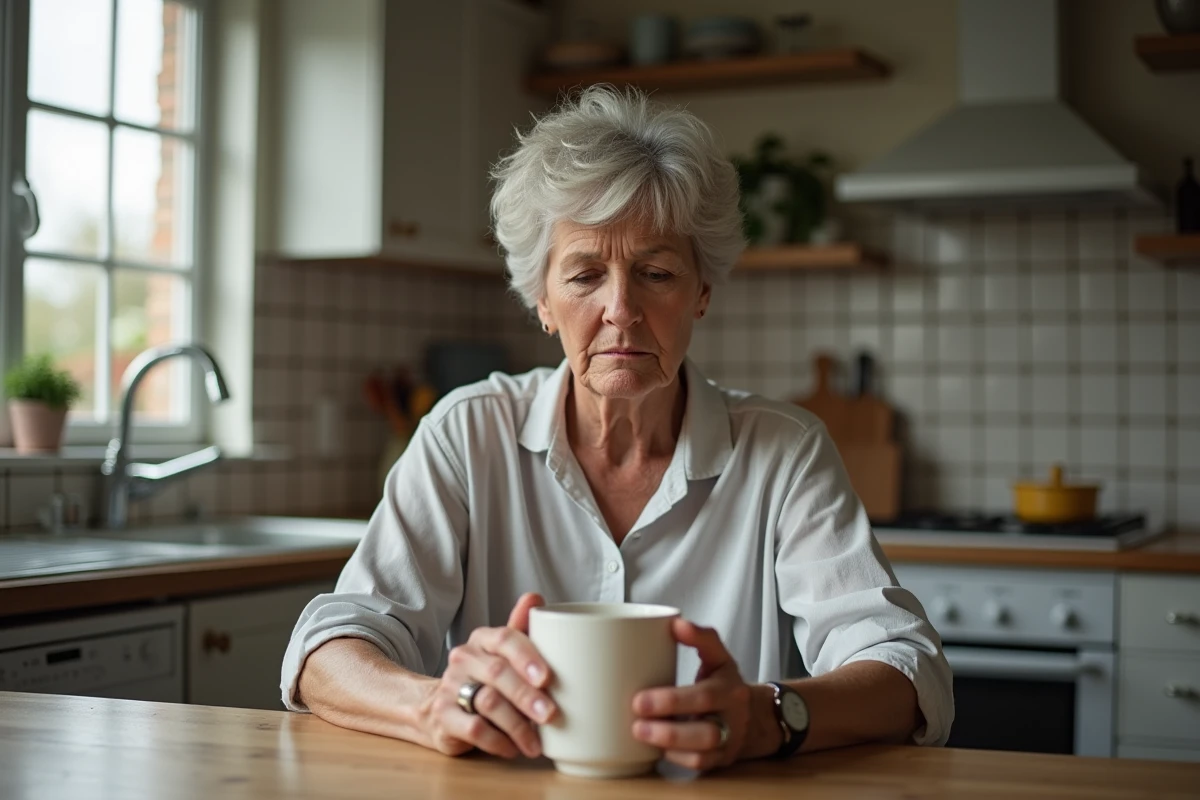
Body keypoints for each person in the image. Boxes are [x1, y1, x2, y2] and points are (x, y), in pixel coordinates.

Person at [281, 86, 953, 772]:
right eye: (584, 275)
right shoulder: (467, 433)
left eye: (656, 272)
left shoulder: (783, 451)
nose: (621, 309)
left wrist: (771, 715)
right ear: (541, 300)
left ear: (702, 293)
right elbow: (328, 648)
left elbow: (907, 669)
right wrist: (431, 705)